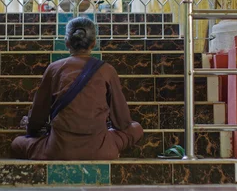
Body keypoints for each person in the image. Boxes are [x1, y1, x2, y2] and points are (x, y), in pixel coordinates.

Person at [11, 17, 143, 160]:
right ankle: (109, 148)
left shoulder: (54, 68)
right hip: (101, 150)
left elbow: (37, 119)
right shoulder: (107, 70)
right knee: (136, 128)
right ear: (94, 43)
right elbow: (123, 122)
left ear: (67, 42)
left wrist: (32, 127)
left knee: (17, 143)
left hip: (58, 150)